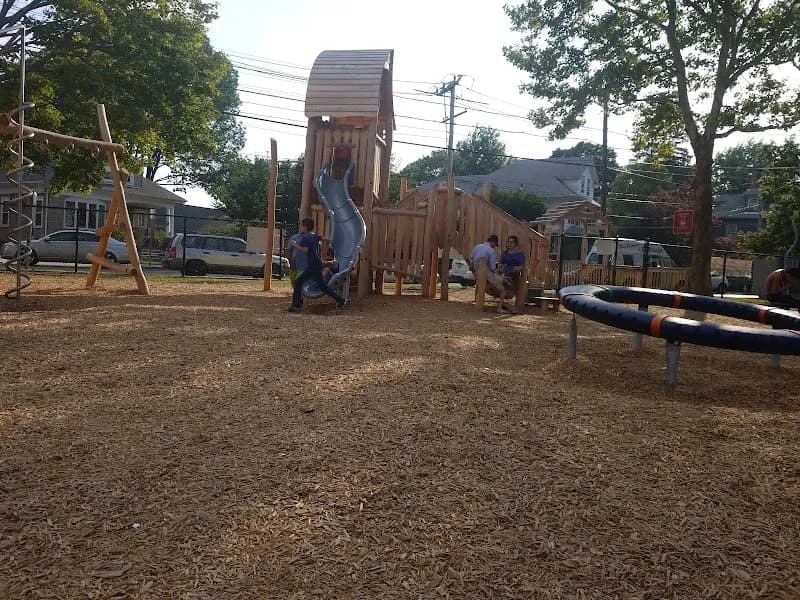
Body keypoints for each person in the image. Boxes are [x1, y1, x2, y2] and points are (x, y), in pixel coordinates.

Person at [289, 218, 350, 312]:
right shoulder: (313, 235)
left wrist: (295, 244)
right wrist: (330, 240)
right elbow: (322, 238)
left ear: (305, 227)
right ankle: (342, 300)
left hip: (313, 264)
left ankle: (296, 306)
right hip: (316, 264)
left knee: (298, 281)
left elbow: (305, 250)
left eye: (301, 225)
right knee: (322, 287)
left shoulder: (305, 237)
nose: (300, 227)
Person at [469, 234, 508, 313]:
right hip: (487, 274)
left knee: (482, 286)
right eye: (495, 244)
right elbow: (492, 267)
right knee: (503, 289)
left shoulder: (477, 246)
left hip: (477, 273)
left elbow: (471, 259)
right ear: (493, 242)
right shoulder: (491, 250)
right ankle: (499, 308)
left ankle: (478, 300)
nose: (494, 246)